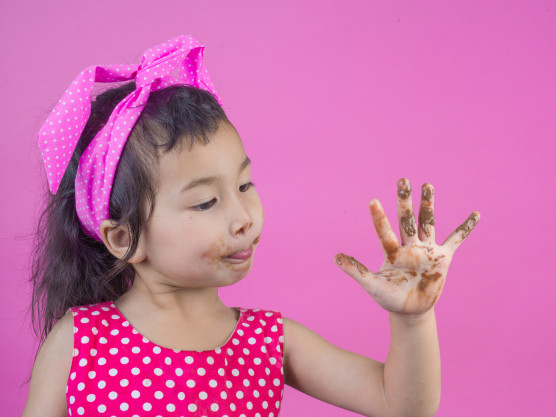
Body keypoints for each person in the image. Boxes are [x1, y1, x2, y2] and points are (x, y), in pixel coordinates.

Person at [22, 35, 480, 417]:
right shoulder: (79, 344)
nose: (243, 218)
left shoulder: (270, 342)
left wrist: (413, 319)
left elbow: (401, 404)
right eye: (205, 202)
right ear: (124, 239)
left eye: (244, 184)